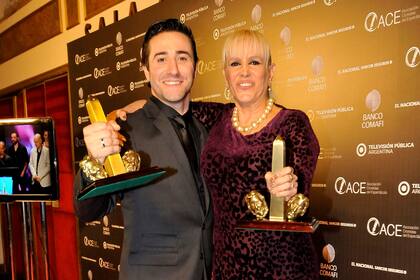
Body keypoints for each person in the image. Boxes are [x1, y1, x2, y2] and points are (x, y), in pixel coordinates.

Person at [74, 19, 213, 280]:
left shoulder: (207, 130)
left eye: (182, 58)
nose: (173, 69)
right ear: (146, 71)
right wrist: (94, 161)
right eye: (161, 59)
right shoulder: (125, 129)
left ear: (196, 66)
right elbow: (89, 210)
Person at [195, 30, 320, 279]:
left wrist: (289, 187)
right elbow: (168, 105)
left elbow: (301, 183)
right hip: (226, 264)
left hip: (283, 266)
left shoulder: (293, 122)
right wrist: (117, 114)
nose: (244, 71)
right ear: (225, 74)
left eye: (254, 62)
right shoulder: (215, 117)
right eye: (235, 63)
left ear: (270, 71)